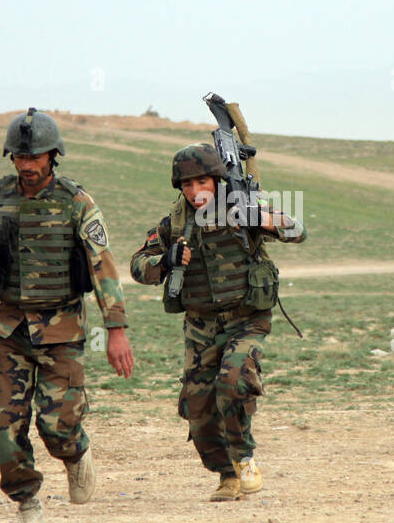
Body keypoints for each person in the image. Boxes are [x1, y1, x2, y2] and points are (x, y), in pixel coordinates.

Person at [0, 109, 134, 523]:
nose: (27, 164)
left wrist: (116, 328)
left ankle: (76, 453)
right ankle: (27, 504)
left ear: (53, 155)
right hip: (10, 330)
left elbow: (103, 266)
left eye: (36, 155)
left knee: (57, 425)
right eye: (20, 156)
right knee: (4, 424)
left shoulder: (77, 202)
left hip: (62, 332)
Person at [129, 144, 306, 501]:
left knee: (233, 380)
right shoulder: (174, 223)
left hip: (246, 318)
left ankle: (244, 459)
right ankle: (227, 474)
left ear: (218, 179)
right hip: (200, 327)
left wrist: (262, 219)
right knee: (199, 407)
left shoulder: (243, 209)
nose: (196, 192)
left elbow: (297, 229)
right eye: (188, 185)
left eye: (203, 182)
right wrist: (166, 261)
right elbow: (137, 266)